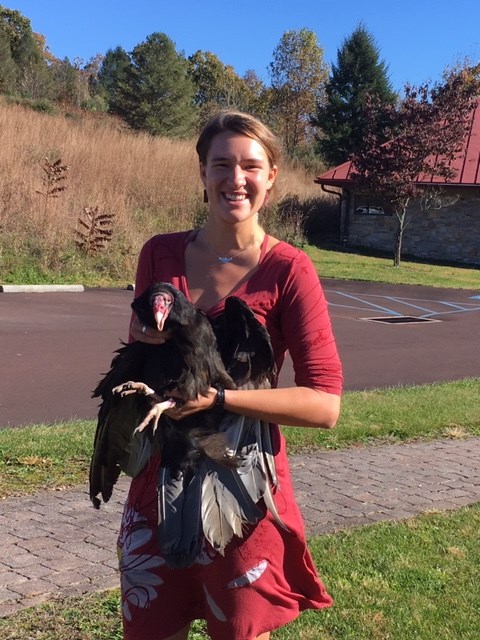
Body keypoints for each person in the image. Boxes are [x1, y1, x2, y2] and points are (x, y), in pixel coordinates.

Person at [118, 110, 343, 640]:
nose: (235, 178)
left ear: (271, 179)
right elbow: (143, 349)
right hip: (160, 481)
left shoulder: (289, 269)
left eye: (250, 165)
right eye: (221, 164)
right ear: (202, 173)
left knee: (240, 632)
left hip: (241, 487)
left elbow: (326, 404)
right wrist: (141, 337)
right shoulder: (160, 253)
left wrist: (219, 399)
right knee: (151, 629)